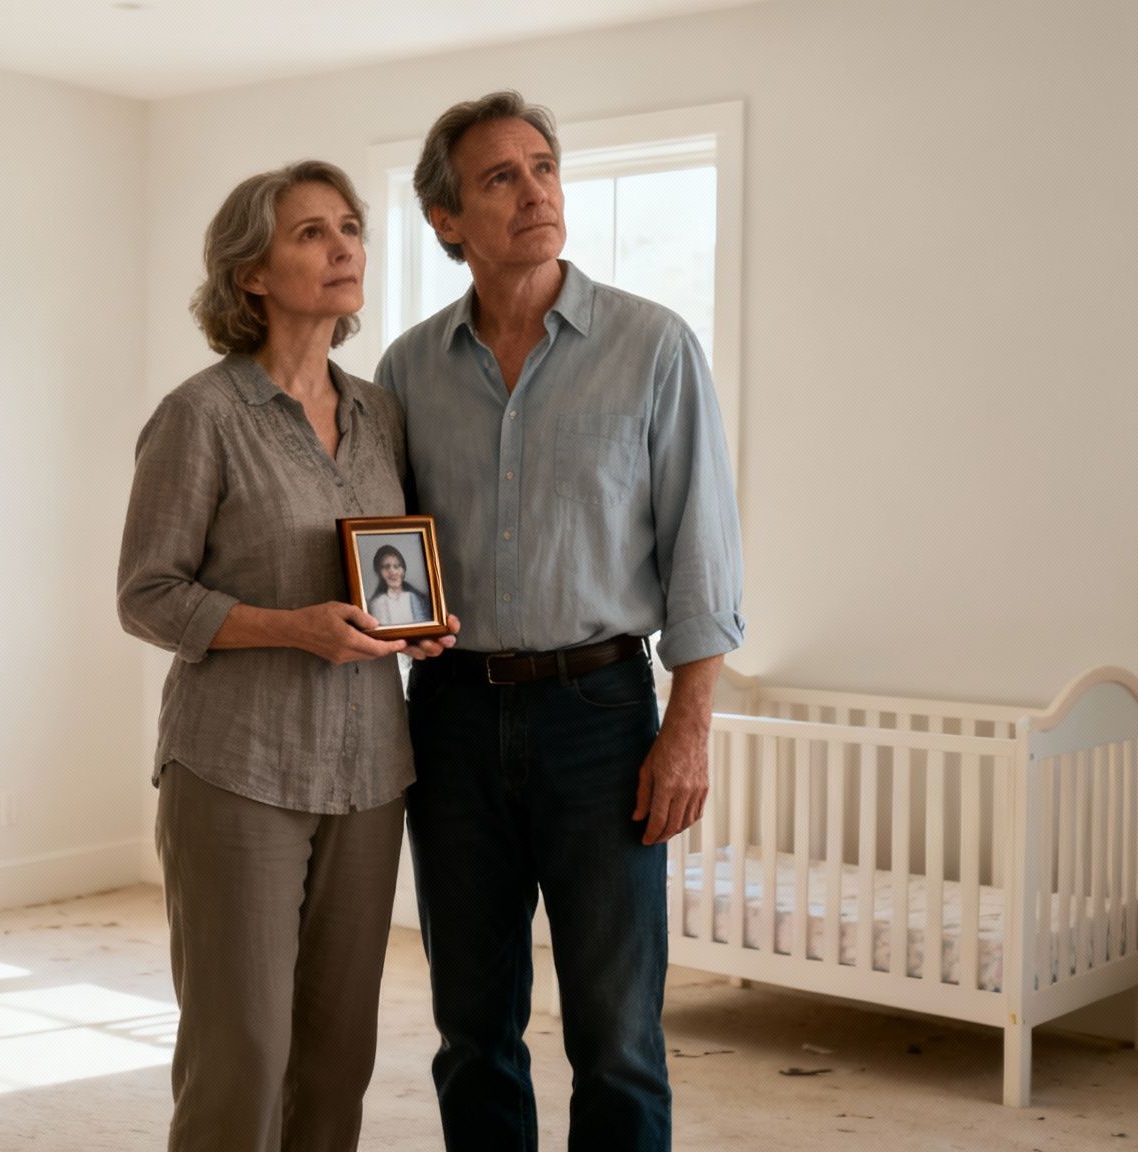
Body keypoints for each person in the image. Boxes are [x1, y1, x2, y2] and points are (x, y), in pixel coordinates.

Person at [375, 92, 744, 1152]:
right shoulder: (406, 370)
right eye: (499, 177)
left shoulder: (651, 347)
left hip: (600, 716)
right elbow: (388, 550)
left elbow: (701, 556)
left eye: (542, 167)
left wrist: (686, 729)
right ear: (446, 220)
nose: (534, 190)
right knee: (470, 1029)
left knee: (616, 1035)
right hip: (446, 720)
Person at [117, 159, 457, 1152]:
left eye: (349, 227)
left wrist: (419, 623)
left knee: (336, 1057)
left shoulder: (379, 412)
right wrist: (287, 625)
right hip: (238, 770)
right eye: (310, 231)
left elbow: (391, 568)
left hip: (369, 774)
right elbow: (146, 595)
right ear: (250, 273)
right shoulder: (200, 416)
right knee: (243, 1053)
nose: (344, 244)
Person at [365, 543, 431, 626]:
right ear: (379, 572)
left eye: (397, 566)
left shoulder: (416, 598)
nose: (392, 572)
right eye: (386, 567)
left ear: (403, 571)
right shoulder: (377, 603)